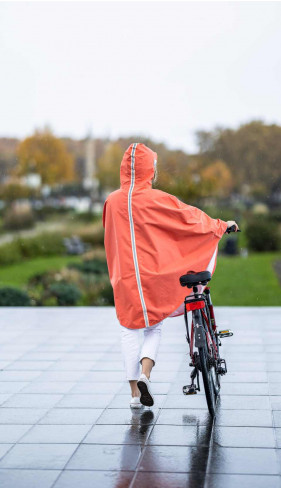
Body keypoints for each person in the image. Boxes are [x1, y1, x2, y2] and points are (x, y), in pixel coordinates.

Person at [102, 143, 238, 408]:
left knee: (129, 329)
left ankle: (134, 396)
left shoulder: (111, 201)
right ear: (149, 170)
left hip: (126, 277)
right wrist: (222, 225)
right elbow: (191, 219)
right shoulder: (157, 199)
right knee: (154, 326)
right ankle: (146, 374)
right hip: (155, 275)